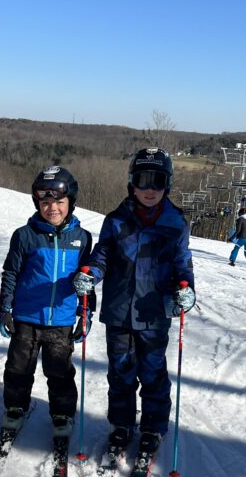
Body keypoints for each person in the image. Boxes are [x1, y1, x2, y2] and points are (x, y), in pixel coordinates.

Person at [73, 148, 195, 460]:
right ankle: (122, 423)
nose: (150, 189)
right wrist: (91, 274)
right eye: (143, 181)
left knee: (152, 370)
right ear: (132, 183)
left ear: (167, 184)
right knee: (121, 371)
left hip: (153, 312)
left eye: (158, 181)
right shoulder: (116, 221)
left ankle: (153, 425)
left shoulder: (175, 223)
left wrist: (186, 289)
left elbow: (183, 264)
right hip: (118, 310)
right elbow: (102, 256)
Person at [0, 166, 93, 441]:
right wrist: (5, 308)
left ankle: (62, 413)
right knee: (18, 369)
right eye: (46, 202)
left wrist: (85, 313)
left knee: (60, 372)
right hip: (27, 317)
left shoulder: (82, 238)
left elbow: (87, 280)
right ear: (37, 203)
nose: (53, 208)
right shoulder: (25, 235)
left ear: (70, 203)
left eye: (59, 202)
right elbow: (12, 272)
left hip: (61, 321)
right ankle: (15, 408)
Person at [228, 207, 246, 271]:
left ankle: (232, 261)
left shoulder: (240, 219)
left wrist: (231, 238)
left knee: (236, 248)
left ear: (240, 213)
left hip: (243, 238)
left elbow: (238, 230)